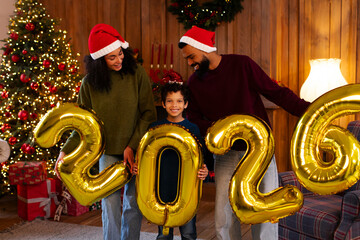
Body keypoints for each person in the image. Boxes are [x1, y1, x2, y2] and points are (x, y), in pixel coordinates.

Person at [178, 26, 311, 240]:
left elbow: (275, 92)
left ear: (204, 49)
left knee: (264, 211)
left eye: (191, 56)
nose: (189, 62)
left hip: (259, 152)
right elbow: (193, 118)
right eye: (187, 58)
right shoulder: (194, 82)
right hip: (225, 156)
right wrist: (219, 129)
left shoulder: (242, 64)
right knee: (224, 216)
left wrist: (309, 111)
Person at [56, 23, 157, 240]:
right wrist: (64, 152)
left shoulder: (137, 73)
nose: (119, 59)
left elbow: (148, 114)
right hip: (107, 151)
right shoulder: (89, 84)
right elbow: (82, 124)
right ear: (100, 61)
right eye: (112, 57)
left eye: (120, 54)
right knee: (109, 203)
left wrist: (132, 146)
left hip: (136, 148)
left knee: (133, 201)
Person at [134, 82, 208, 240]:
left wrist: (204, 171)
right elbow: (146, 156)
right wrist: (138, 168)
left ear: (186, 104)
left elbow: (201, 157)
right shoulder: (154, 127)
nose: (174, 105)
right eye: (170, 101)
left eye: (179, 101)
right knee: (164, 233)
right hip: (161, 188)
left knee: (188, 232)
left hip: (186, 190)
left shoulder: (192, 129)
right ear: (163, 104)